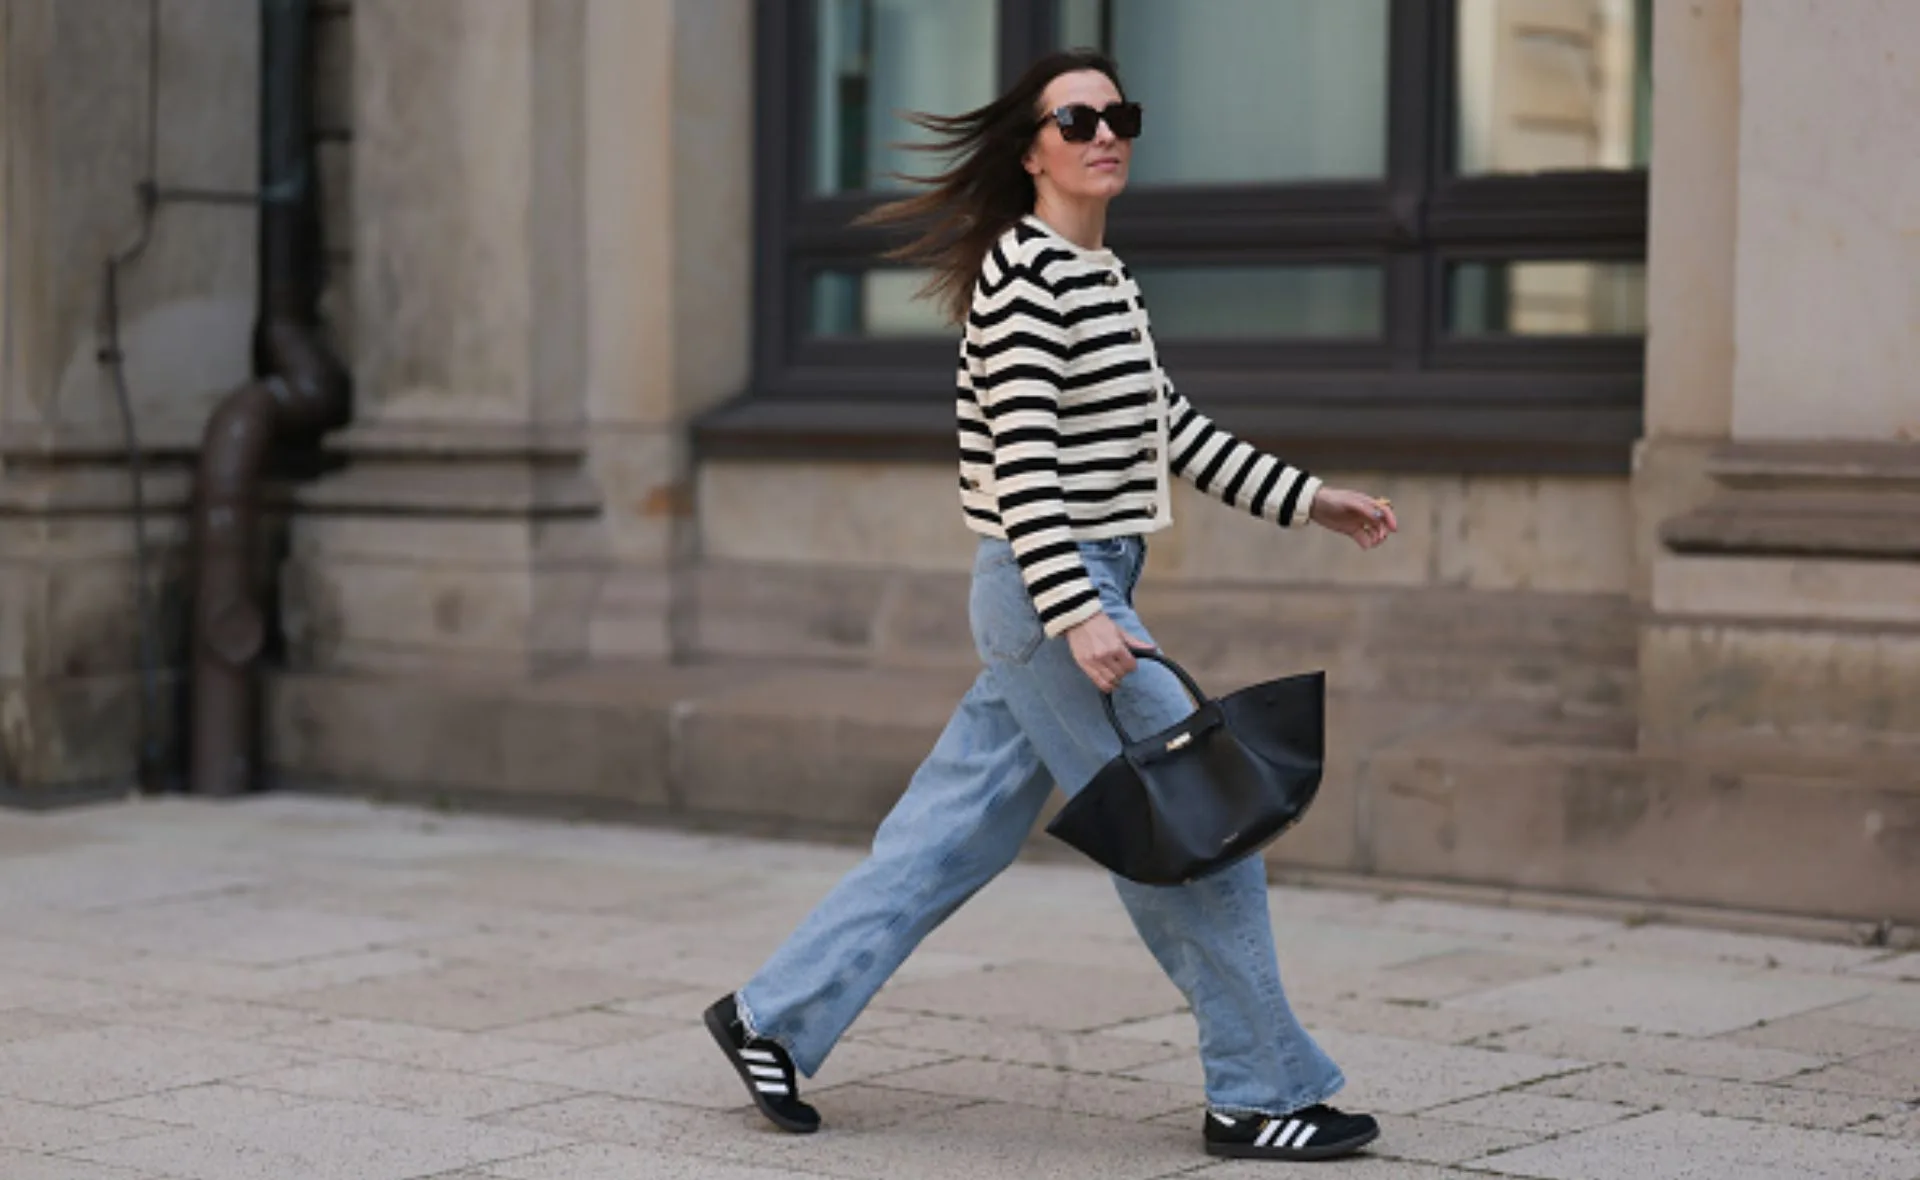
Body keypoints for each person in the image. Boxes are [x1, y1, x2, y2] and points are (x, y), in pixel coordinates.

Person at [705, 49, 1399, 1163]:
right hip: (1055, 597)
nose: (1103, 132)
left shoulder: (1100, 276)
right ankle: (1259, 1087)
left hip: (1069, 593)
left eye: (1119, 113)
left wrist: (1310, 499)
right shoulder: (1028, 279)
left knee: (949, 836)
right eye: (1075, 118)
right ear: (1031, 151)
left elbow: (1172, 431)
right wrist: (1080, 613)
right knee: (1199, 826)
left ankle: (770, 1016)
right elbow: (1025, 470)